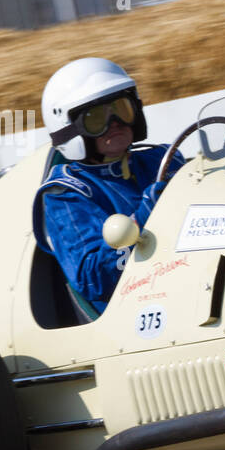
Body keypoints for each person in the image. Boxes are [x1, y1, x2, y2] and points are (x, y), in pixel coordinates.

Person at [32, 57, 185, 317]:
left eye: (121, 109)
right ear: (71, 129)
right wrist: (144, 218)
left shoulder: (162, 158)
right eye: (96, 117)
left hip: (188, 280)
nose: (114, 122)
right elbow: (94, 280)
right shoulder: (66, 193)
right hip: (137, 310)